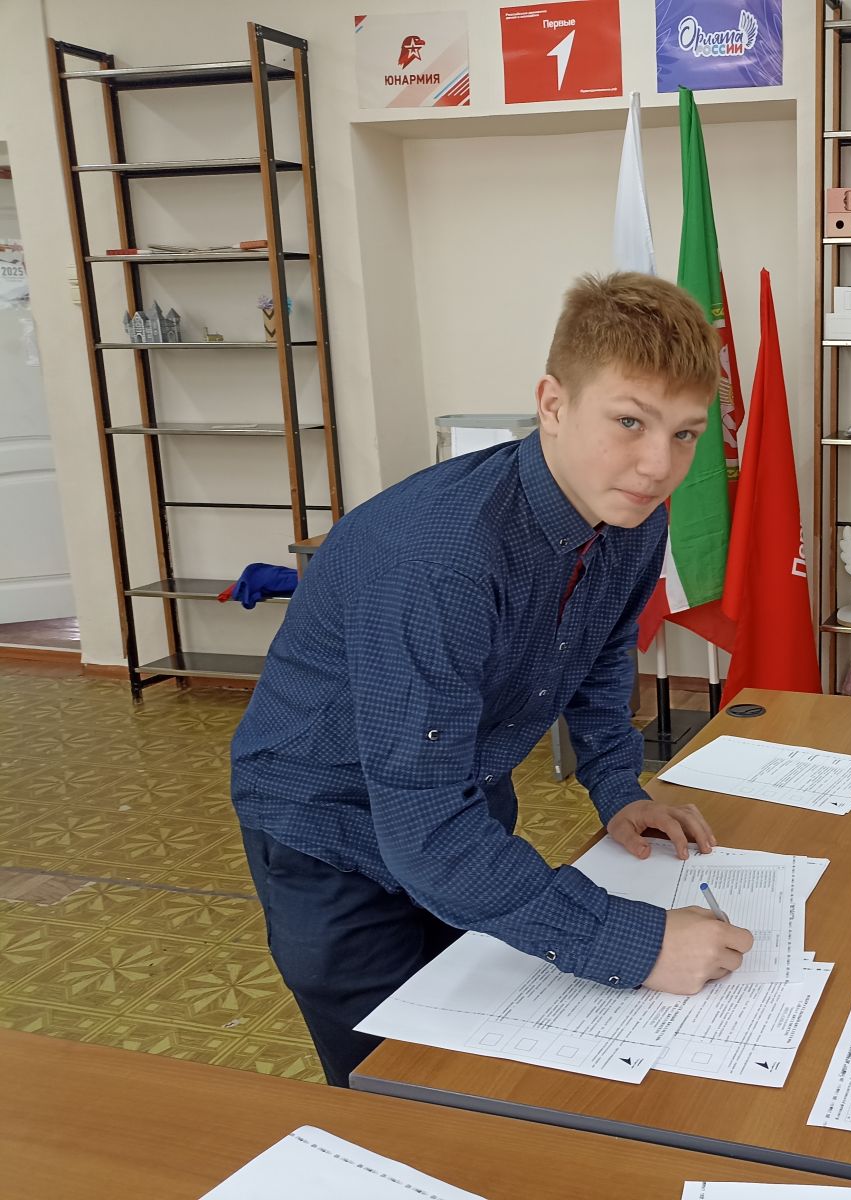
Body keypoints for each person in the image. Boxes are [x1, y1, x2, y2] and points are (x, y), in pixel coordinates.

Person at [230, 272, 753, 1087]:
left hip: (458, 803)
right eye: (629, 421)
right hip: (329, 830)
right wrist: (639, 943)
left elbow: (599, 656)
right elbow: (424, 830)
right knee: (398, 1087)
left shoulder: (629, 515)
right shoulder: (441, 559)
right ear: (552, 404)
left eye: (685, 434)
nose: (659, 465)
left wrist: (618, 788)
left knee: (485, 1061)